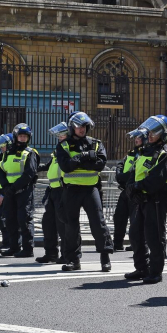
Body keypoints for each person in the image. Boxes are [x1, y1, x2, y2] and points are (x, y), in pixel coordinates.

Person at [123, 116, 167, 284]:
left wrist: (137, 186)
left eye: (154, 132)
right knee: (135, 234)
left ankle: (155, 272)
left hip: (156, 199)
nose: (149, 135)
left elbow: (156, 180)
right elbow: (134, 172)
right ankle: (141, 267)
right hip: (141, 199)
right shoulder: (145, 151)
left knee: (154, 236)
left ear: (163, 134)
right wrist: (130, 187)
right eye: (149, 131)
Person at [55, 111, 114, 272]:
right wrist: (85, 156)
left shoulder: (96, 143)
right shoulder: (63, 145)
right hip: (71, 190)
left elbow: (100, 164)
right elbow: (66, 166)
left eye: (84, 126)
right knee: (71, 226)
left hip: (91, 189)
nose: (82, 129)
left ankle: (105, 258)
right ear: (72, 127)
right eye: (79, 126)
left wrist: (78, 162)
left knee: (98, 223)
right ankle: (73, 260)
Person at [0, 123, 40, 257]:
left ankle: (28, 249)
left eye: (25, 136)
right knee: (10, 219)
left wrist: (13, 188)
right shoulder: (7, 152)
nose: (22, 138)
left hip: (24, 191)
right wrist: (6, 187)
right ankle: (14, 247)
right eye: (20, 136)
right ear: (15, 137)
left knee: (24, 219)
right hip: (10, 191)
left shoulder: (30, 153)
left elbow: (29, 173)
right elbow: (0, 169)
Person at [35, 122, 70, 264]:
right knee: (48, 223)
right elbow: (49, 165)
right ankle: (51, 254)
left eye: (61, 134)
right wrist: (34, 169)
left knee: (63, 225)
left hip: (64, 191)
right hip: (53, 190)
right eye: (58, 135)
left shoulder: (69, 148)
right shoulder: (59, 149)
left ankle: (67, 255)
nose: (59, 137)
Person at [113, 131, 144, 252]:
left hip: (135, 191)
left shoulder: (144, 154)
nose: (136, 140)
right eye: (135, 138)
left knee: (135, 219)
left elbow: (135, 173)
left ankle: (135, 243)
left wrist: (123, 176)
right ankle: (117, 243)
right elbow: (120, 165)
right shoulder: (130, 154)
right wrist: (119, 174)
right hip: (125, 190)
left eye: (138, 138)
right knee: (119, 217)